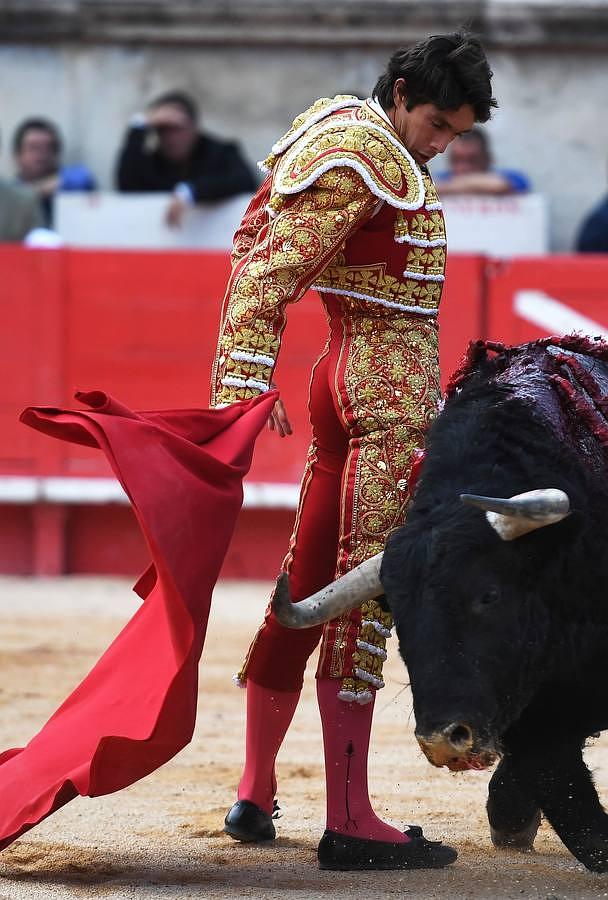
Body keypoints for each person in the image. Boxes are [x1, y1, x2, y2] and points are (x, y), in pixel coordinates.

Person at [211, 32, 497, 870]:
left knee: (308, 582)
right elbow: (266, 270)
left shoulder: (345, 133)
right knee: (366, 590)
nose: (441, 144)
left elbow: (257, 243)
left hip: (345, 383)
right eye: (438, 123)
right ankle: (350, 818)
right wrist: (238, 381)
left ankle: (255, 791)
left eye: (455, 134)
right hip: (383, 401)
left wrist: (254, 374)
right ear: (402, 91)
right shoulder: (365, 151)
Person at [115, 90, 258, 227]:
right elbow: (127, 186)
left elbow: (246, 181)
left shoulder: (220, 153)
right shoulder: (152, 162)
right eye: (162, 129)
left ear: (193, 127)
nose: (170, 138)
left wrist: (190, 192)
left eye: (176, 128)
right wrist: (140, 125)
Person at [13, 118, 97, 227]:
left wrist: (62, 182)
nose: (42, 154)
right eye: (34, 148)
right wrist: (32, 193)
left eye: (48, 148)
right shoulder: (11, 190)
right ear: (18, 155)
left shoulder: (68, 182)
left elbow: (84, 177)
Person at [435, 126, 529, 195]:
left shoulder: (510, 177)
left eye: (472, 160)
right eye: (456, 160)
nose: (463, 167)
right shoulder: (440, 178)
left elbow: (501, 185)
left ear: (487, 159)